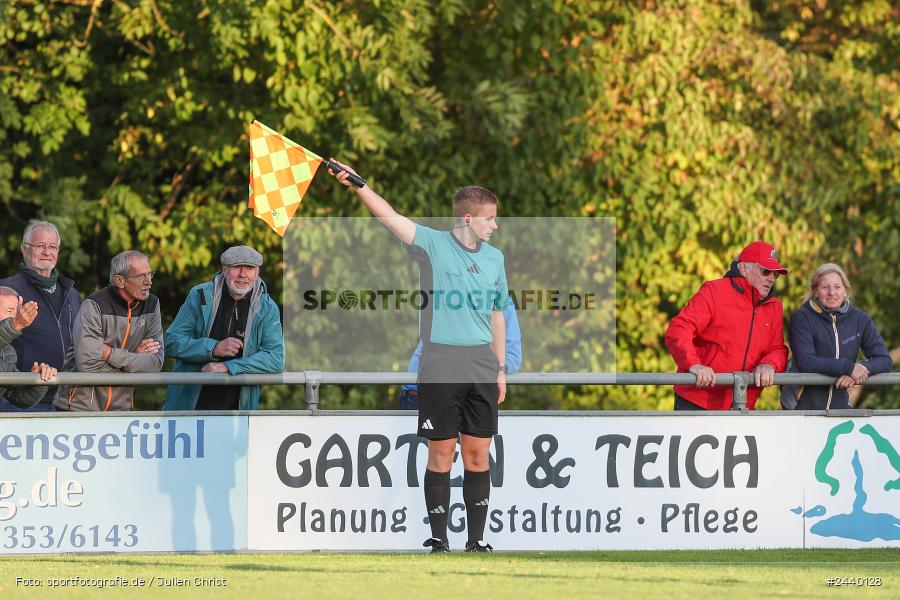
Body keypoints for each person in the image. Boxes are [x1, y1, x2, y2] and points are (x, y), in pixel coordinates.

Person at [329, 159, 507, 554]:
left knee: (478, 453)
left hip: (480, 363)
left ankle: (476, 541)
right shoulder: (432, 243)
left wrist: (500, 368)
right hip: (441, 361)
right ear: (467, 218)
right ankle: (439, 540)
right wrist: (357, 184)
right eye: (490, 219)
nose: (495, 226)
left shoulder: (495, 259)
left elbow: (498, 314)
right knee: (441, 451)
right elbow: (389, 216)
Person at [664, 241, 789, 410]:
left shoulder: (774, 306)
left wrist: (769, 364)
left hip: (742, 407)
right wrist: (694, 364)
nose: (771, 278)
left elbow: (777, 348)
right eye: (765, 271)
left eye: (776, 274)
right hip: (696, 402)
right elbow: (679, 329)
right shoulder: (714, 291)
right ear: (744, 268)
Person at [163, 245, 284, 411]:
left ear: (257, 273)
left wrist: (229, 367)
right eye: (236, 267)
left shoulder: (268, 307)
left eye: (249, 268)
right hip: (188, 407)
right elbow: (171, 342)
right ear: (224, 269)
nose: (243, 274)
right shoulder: (199, 295)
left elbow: (276, 359)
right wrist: (213, 348)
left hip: (237, 414)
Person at [54, 251, 163, 411]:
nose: (149, 282)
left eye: (150, 274)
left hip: (121, 410)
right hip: (78, 408)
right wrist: (134, 360)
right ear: (119, 280)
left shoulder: (152, 304)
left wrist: (109, 353)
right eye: (141, 276)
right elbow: (87, 365)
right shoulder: (94, 305)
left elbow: (155, 364)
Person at [0, 220, 80, 411]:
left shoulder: (72, 294)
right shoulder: (7, 290)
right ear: (24, 249)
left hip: (66, 398)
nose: (47, 251)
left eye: (52, 246)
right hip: (18, 397)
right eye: (40, 245)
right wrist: (16, 324)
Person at [787, 263, 892, 410]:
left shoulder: (860, 319)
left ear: (845, 290)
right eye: (825, 287)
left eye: (837, 287)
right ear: (815, 291)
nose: (832, 292)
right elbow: (806, 361)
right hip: (804, 410)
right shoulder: (802, 318)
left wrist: (860, 369)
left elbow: (885, 360)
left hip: (841, 411)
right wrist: (848, 367)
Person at [399, 302, 522, 409]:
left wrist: (489, 368)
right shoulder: (447, 289)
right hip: (424, 392)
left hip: (471, 396)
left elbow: (513, 358)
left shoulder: (502, 299)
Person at [0, 286, 58, 409]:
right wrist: (15, 325)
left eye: (18, 312)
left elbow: (16, 396)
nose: (18, 316)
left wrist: (38, 380)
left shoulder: (8, 352)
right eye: (10, 311)